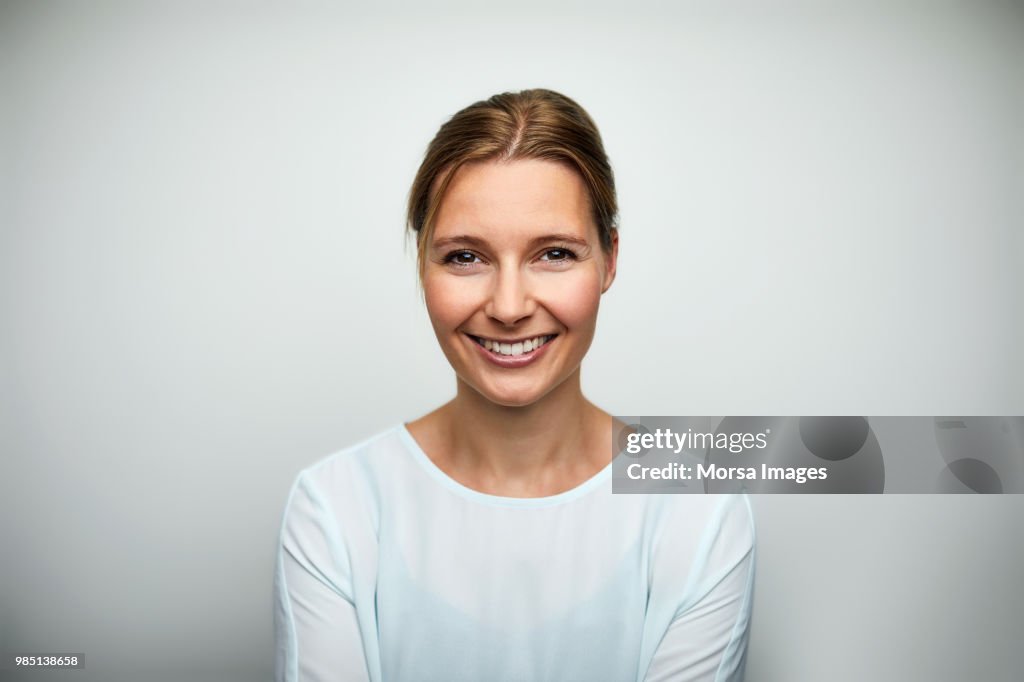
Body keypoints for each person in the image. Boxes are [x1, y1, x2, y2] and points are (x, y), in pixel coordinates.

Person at [273, 88, 756, 681]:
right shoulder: (334, 507)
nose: (507, 307)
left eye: (553, 253)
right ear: (422, 265)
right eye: (464, 258)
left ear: (609, 260)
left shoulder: (696, 507)